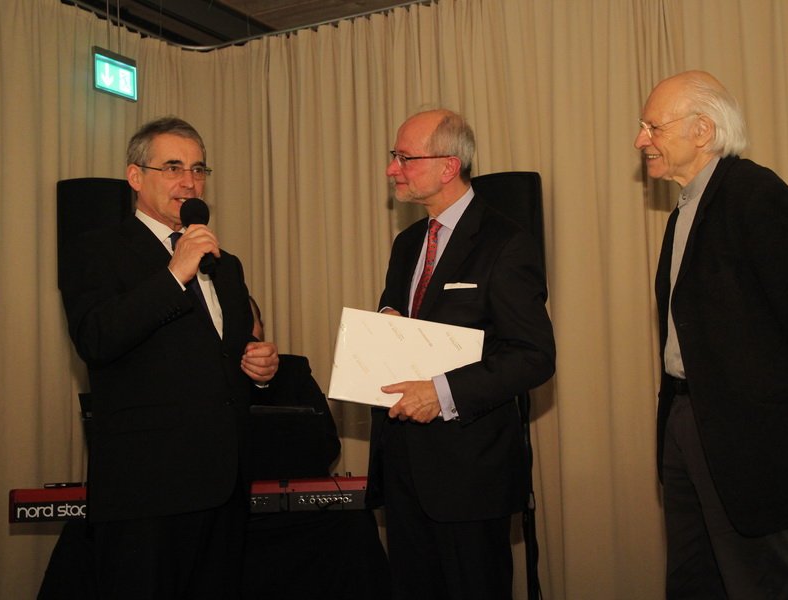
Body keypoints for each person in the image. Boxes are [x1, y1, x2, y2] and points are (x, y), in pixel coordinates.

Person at [635, 71, 788, 599]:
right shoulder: (683, 211)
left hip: (750, 438)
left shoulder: (757, 195)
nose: (641, 140)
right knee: (693, 582)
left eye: (653, 126)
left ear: (702, 131)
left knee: (760, 584)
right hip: (686, 420)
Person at [60, 116, 278, 599]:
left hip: (223, 485)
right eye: (173, 167)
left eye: (199, 169)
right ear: (136, 177)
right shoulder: (97, 251)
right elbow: (95, 339)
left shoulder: (226, 264)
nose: (189, 182)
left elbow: (228, 356)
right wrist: (173, 275)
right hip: (147, 490)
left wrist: (260, 369)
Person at [366, 109, 556, 599]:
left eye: (405, 158)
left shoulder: (505, 242)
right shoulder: (408, 242)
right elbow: (403, 314)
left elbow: (533, 354)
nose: (392, 169)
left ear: (448, 166)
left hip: (469, 475)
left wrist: (442, 392)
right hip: (404, 467)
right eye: (394, 157)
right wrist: (387, 320)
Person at [241, 297, 391, 599]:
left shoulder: (293, 370)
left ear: (262, 328)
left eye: (250, 320)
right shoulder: (203, 377)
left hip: (296, 508)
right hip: (233, 513)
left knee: (354, 523)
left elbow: (327, 444)